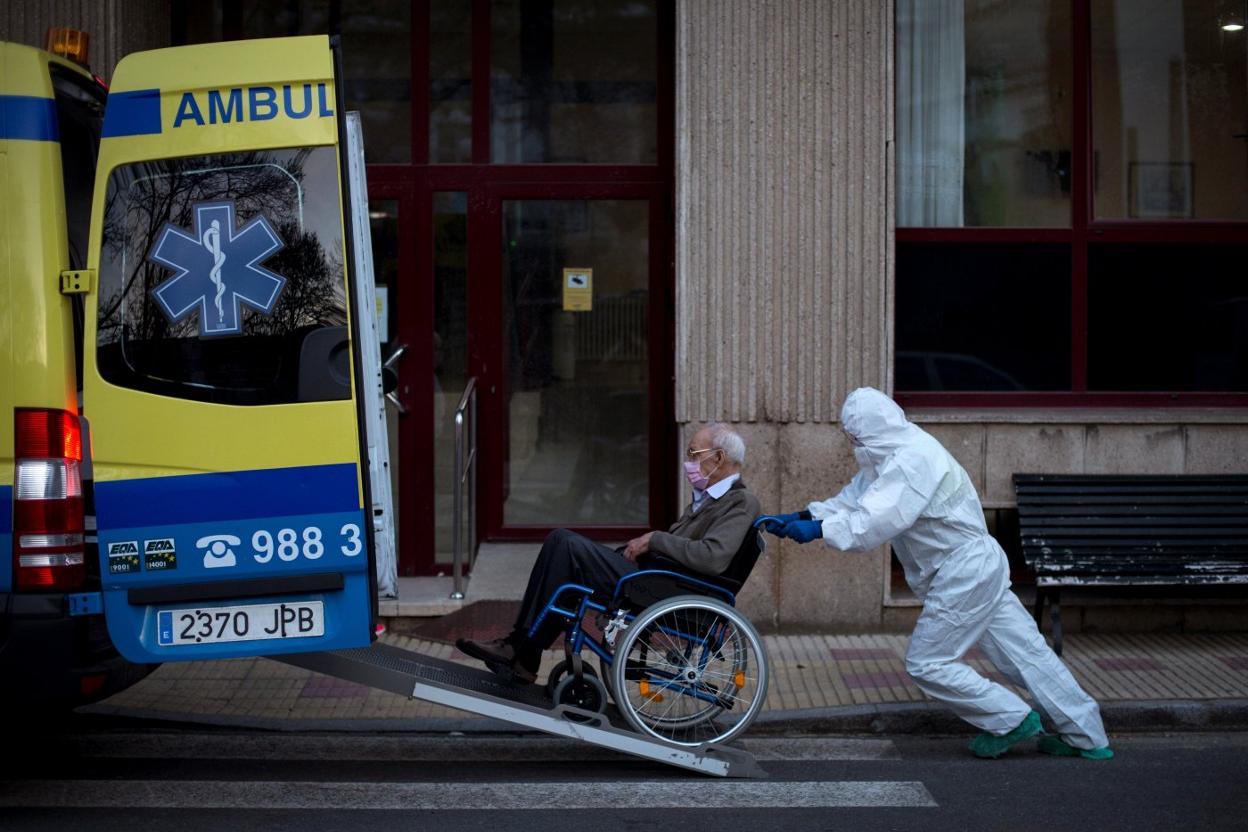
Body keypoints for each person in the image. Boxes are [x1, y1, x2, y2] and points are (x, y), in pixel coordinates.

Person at [761, 387, 1112, 760]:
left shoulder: (914, 459)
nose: (852, 444)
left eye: (855, 437)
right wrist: (805, 515)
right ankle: (1087, 736)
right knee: (1027, 655)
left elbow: (876, 518)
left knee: (927, 662)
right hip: (974, 569)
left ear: (873, 432)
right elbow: (856, 499)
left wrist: (819, 530)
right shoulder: (890, 454)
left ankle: (1008, 719)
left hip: (965, 573)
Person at [457, 422, 762, 684]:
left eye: (694, 453)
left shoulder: (740, 503)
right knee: (562, 553)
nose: (688, 462)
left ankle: (521, 651)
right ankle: (523, 650)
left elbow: (712, 557)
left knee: (565, 543)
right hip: (657, 579)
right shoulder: (708, 499)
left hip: (669, 589)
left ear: (719, 458)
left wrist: (654, 539)